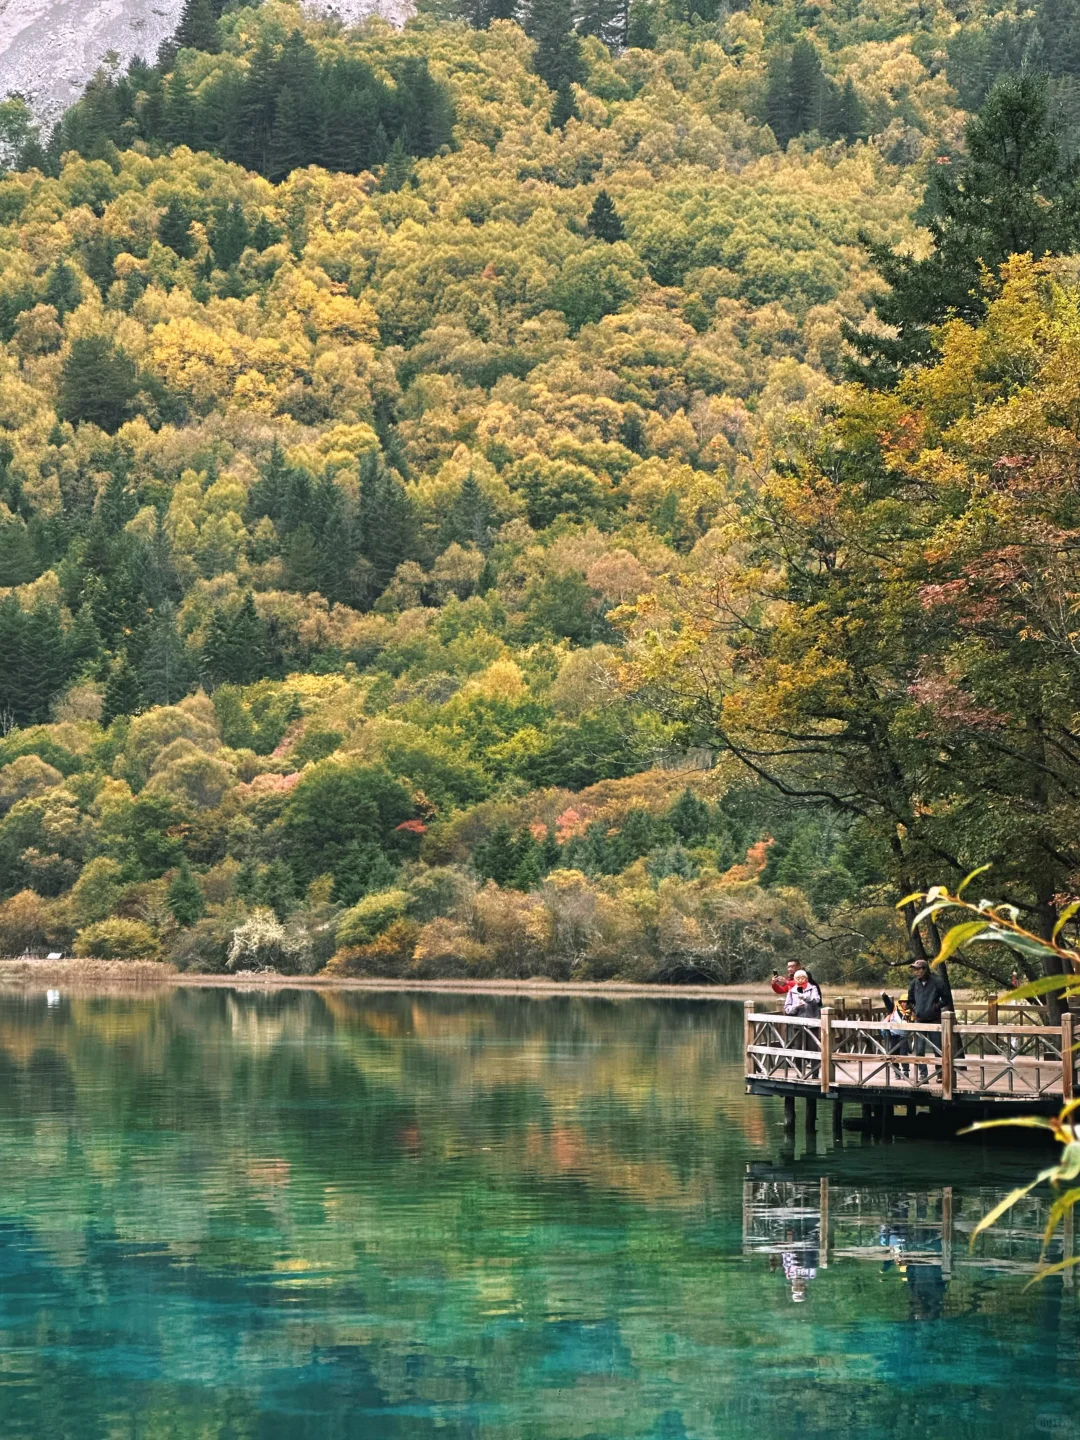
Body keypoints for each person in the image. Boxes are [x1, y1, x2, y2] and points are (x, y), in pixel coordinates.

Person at [907, 959, 946, 1082]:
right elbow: (910, 1001)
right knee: (919, 1049)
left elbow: (946, 999)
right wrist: (916, 1008)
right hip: (919, 1020)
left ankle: (940, 1074)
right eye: (914, 969)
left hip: (934, 1020)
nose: (916, 972)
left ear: (925, 969)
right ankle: (923, 1074)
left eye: (918, 969)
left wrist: (935, 1007)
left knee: (938, 1048)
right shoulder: (914, 984)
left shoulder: (937, 982)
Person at [785, 968, 822, 1078]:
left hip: (812, 1023)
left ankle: (815, 1073)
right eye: (797, 978)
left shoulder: (813, 988)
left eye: (802, 978)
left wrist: (805, 998)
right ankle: (799, 1072)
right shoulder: (792, 991)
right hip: (798, 1024)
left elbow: (817, 1001)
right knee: (798, 1048)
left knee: (813, 1048)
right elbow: (787, 1009)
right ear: (795, 980)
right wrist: (796, 1007)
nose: (800, 980)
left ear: (806, 978)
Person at [881, 991, 911, 1079]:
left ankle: (906, 1072)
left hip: (904, 1036)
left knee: (903, 1054)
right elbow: (888, 1004)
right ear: (900, 1002)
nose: (905, 1004)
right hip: (893, 1035)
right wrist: (884, 997)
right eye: (903, 1002)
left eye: (907, 1002)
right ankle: (896, 1072)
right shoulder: (894, 1009)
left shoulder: (912, 1012)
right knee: (893, 1053)